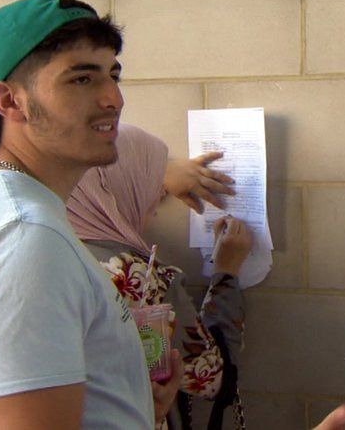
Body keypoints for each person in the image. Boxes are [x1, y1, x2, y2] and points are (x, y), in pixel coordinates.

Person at [0, 0, 175, 428]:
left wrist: (129, 402)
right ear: (10, 102)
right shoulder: (21, 238)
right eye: (81, 79)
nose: (114, 99)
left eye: (113, 74)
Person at [67, 123, 252, 429]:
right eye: (148, 184)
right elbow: (211, 378)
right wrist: (226, 271)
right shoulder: (139, 276)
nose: (153, 205)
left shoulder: (50, 251)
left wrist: (160, 176)